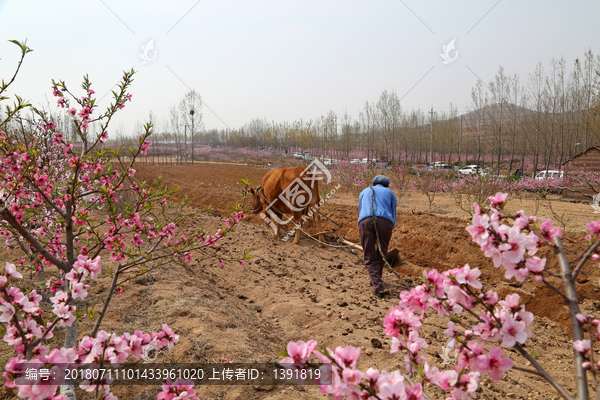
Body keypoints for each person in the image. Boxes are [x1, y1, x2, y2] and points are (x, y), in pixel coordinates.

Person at [358, 175, 397, 298]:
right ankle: (376, 279)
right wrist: (389, 227)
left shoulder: (364, 191)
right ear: (387, 185)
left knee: (369, 254)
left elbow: (360, 210)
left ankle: (377, 286)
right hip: (385, 222)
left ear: (373, 184)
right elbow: (393, 213)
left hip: (365, 221)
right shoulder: (390, 193)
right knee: (382, 251)